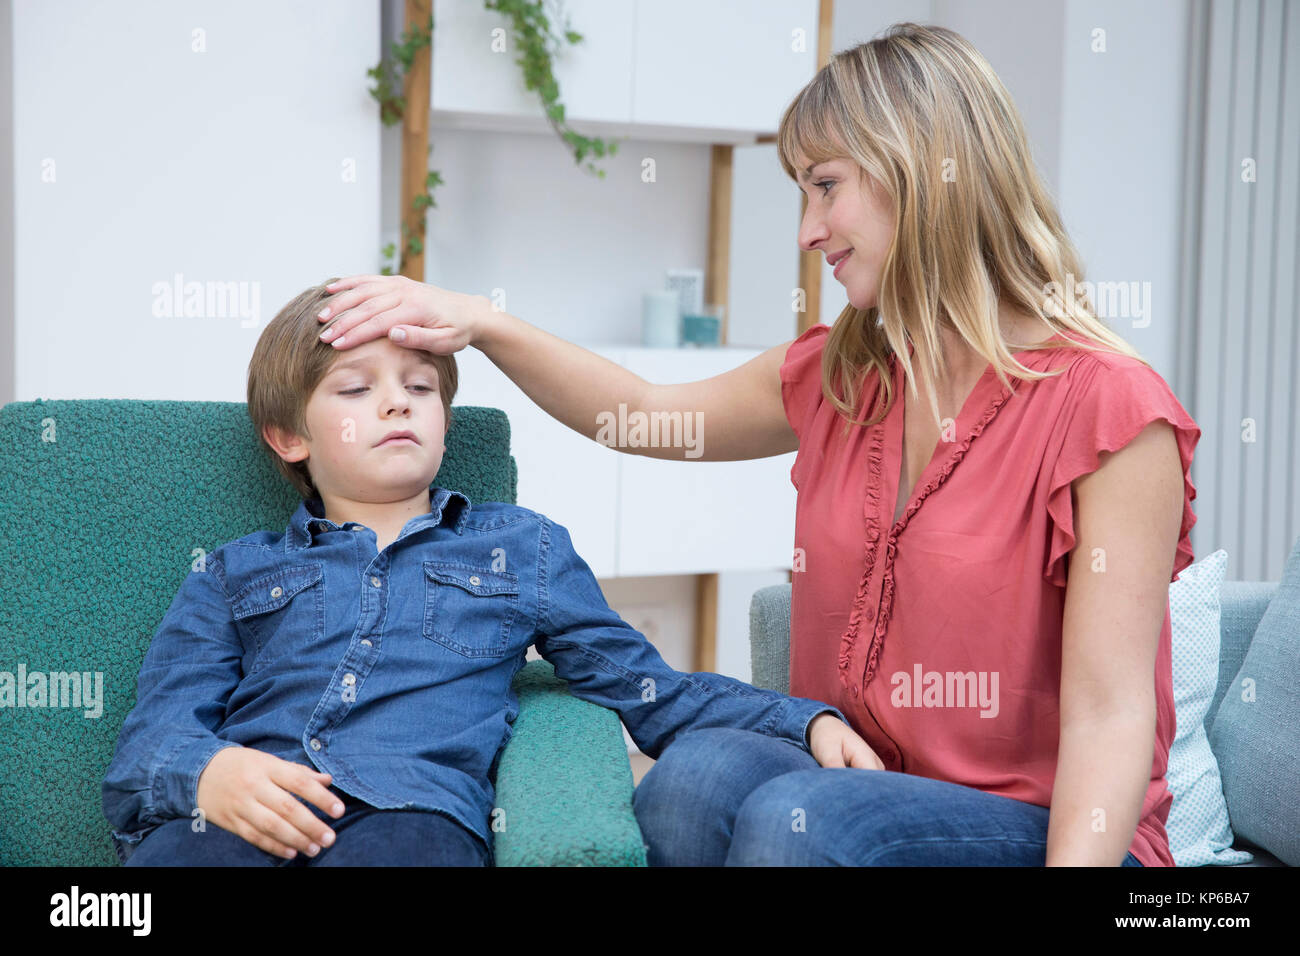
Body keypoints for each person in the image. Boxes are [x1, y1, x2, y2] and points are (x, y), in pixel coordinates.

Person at [311, 23, 1198, 867]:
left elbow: (1111, 716)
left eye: (825, 185)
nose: (809, 232)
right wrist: (482, 323)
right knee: (692, 778)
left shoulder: (1110, 411)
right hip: (866, 787)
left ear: (928, 171)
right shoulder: (848, 375)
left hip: (1043, 831)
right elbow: (642, 412)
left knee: (797, 819)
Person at [101, 277, 871, 867]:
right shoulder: (232, 572)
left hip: (413, 818)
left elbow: (651, 691)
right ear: (287, 436)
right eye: (357, 389)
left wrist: (802, 719)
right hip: (244, 812)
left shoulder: (522, 550)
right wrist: (207, 775)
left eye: (420, 386)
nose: (397, 403)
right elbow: (150, 740)